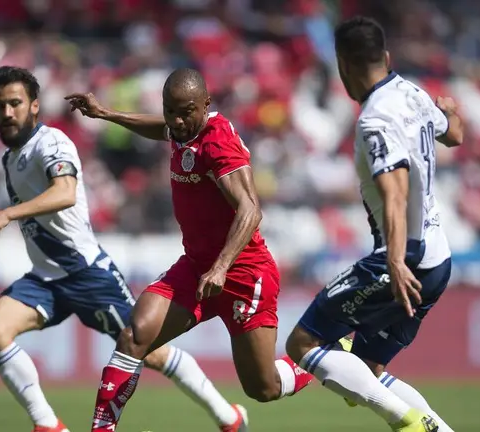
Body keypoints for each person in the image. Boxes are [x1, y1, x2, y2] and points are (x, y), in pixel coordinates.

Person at [0, 66, 239, 432]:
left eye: (15, 103)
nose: (7, 113)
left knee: (154, 354)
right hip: (47, 278)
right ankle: (48, 426)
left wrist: (7, 214)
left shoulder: (51, 143)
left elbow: (65, 193)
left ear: (35, 106)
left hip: (87, 274)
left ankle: (228, 416)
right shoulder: (10, 158)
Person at [66, 68, 313, 432]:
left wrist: (222, 267)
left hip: (243, 272)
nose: (177, 122)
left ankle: (321, 356)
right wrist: (107, 114)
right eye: (170, 111)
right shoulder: (182, 128)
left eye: (185, 112)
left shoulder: (217, 143)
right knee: (135, 335)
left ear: (206, 105)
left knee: (263, 388)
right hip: (197, 267)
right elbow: (161, 129)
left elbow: (251, 209)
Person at [284, 16, 465, 432]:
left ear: (343, 66)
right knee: (367, 366)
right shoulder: (413, 93)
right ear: (385, 57)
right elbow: (453, 135)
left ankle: (406, 422)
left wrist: (396, 261)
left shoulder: (374, 121)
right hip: (439, 256)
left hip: (404, 257)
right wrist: (452, 111)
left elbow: (395, 193)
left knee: (303, 343)